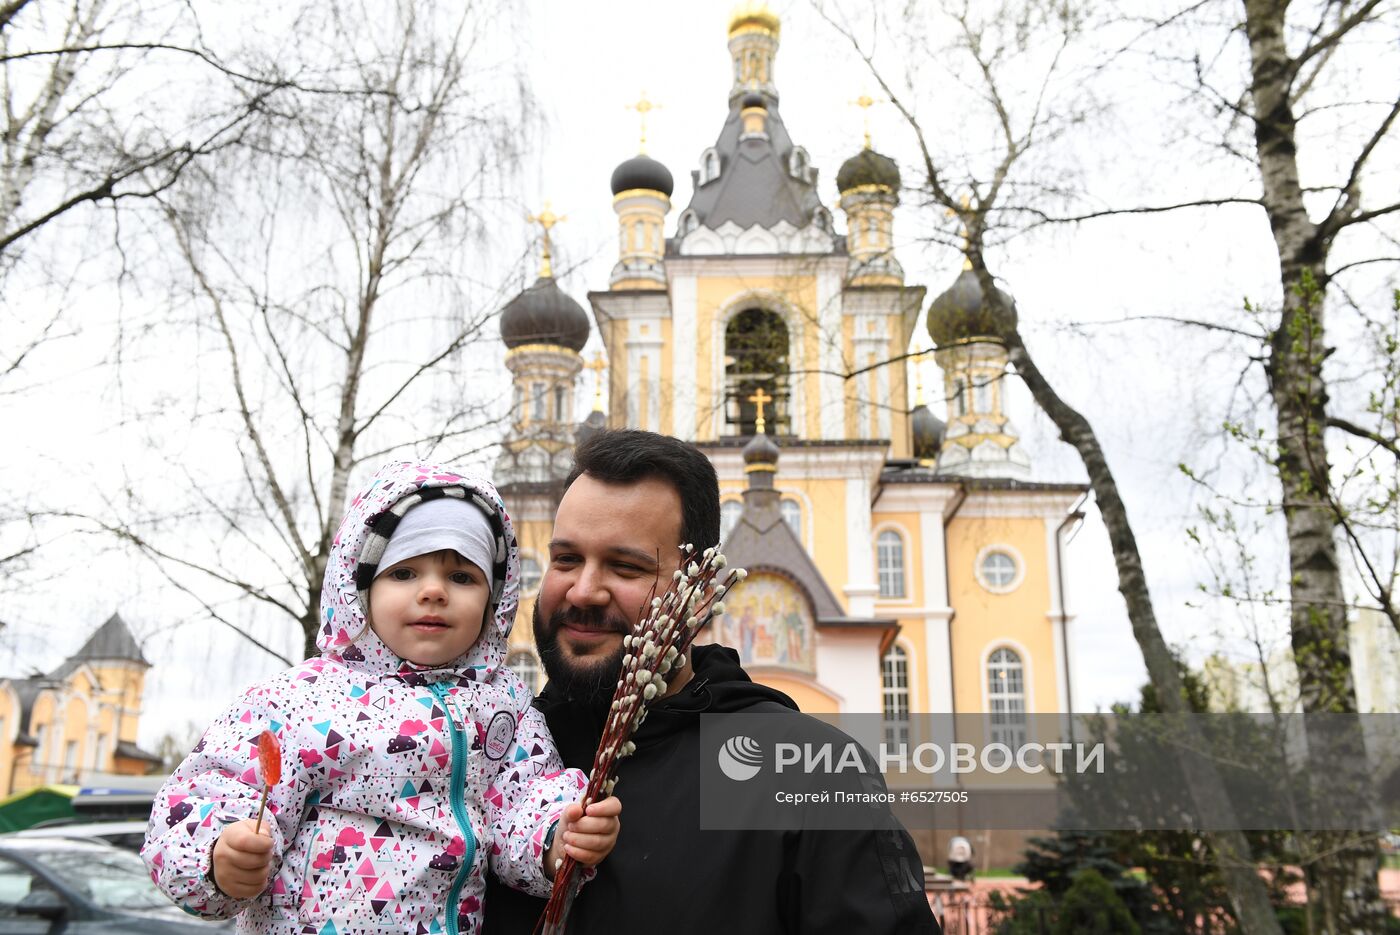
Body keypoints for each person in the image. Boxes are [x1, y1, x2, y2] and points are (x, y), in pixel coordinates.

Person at [484, 430, 939, 934]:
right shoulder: (488, 756)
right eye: (566, 559)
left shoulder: (808, 776)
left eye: (626, 566)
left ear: (699, 593)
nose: (584, 590)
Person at [142, 461, 621, 934]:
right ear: (361, 588)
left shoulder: (504, 707)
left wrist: (557, 837)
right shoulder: (300, 700)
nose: (433, 591)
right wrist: (220, 858)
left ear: (494, 600)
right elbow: (214, 792)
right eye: (404, 573)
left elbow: (522, 800)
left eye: (462, 577)